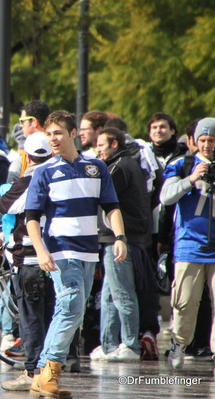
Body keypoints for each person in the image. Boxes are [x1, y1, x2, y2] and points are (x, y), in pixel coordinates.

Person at [25, 111, 127, 397]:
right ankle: (50, 372)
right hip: (59, 249)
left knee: (74, 310)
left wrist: (120, 237)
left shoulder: (97, 167)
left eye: (58, 133)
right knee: (70, 306)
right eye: (49, 134)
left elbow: (112, 207)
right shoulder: (43, 172)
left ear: (73, 134)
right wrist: (40, 250)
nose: (53, 139)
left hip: (89, 249)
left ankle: (42, 372)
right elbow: (31, 217)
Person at [0, 132, 54, 391]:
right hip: (56, 258)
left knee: (30, 318)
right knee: (53, 316)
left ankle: (32, 372)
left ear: (26, 157)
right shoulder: (59, 178)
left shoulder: (28, 180)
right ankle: (58, 367)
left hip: (28, 258)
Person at [90, 127, 152, 362]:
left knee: (121, 293)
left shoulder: (118, 167)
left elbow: (102, 199)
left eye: (101, 145)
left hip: (119, 239)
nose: (97, 149)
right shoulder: (128, 164)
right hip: (116, 238)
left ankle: (130, 344)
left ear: (114, 144)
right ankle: (108, 345)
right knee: (108, 295)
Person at [160, 117, 215, 371]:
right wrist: (191, 179)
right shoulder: (182, 165)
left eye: (212, 141)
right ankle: (179, 344)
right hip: (189, 245)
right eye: (203, 140)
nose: (207, 146)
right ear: (194, 141)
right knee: (185, 302)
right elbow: (166, 197)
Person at [8, 100, 51, 181]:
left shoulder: (23, 158)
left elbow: (10, 189)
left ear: (33, 122)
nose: (20, 125)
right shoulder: (60, 150)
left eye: (22, 121)